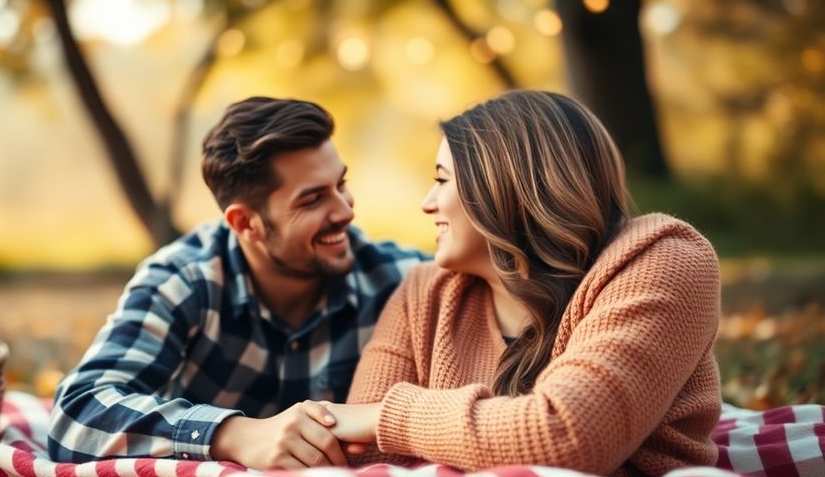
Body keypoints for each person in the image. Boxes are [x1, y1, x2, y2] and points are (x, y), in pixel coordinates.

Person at [302, 90, 721, 476]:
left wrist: (387, 417)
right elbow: (361, 455)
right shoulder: (424, 292)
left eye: (442, 179)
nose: (426, 204)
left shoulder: (664, 258)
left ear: (508, 184)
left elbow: (570, 436)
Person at [47, 97, 428, 469]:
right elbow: (74, 417)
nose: (345, 210)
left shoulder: (401, 279)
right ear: (245, 223)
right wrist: (234, 435)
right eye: (312, 200)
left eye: (340, 184)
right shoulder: (183, 281)